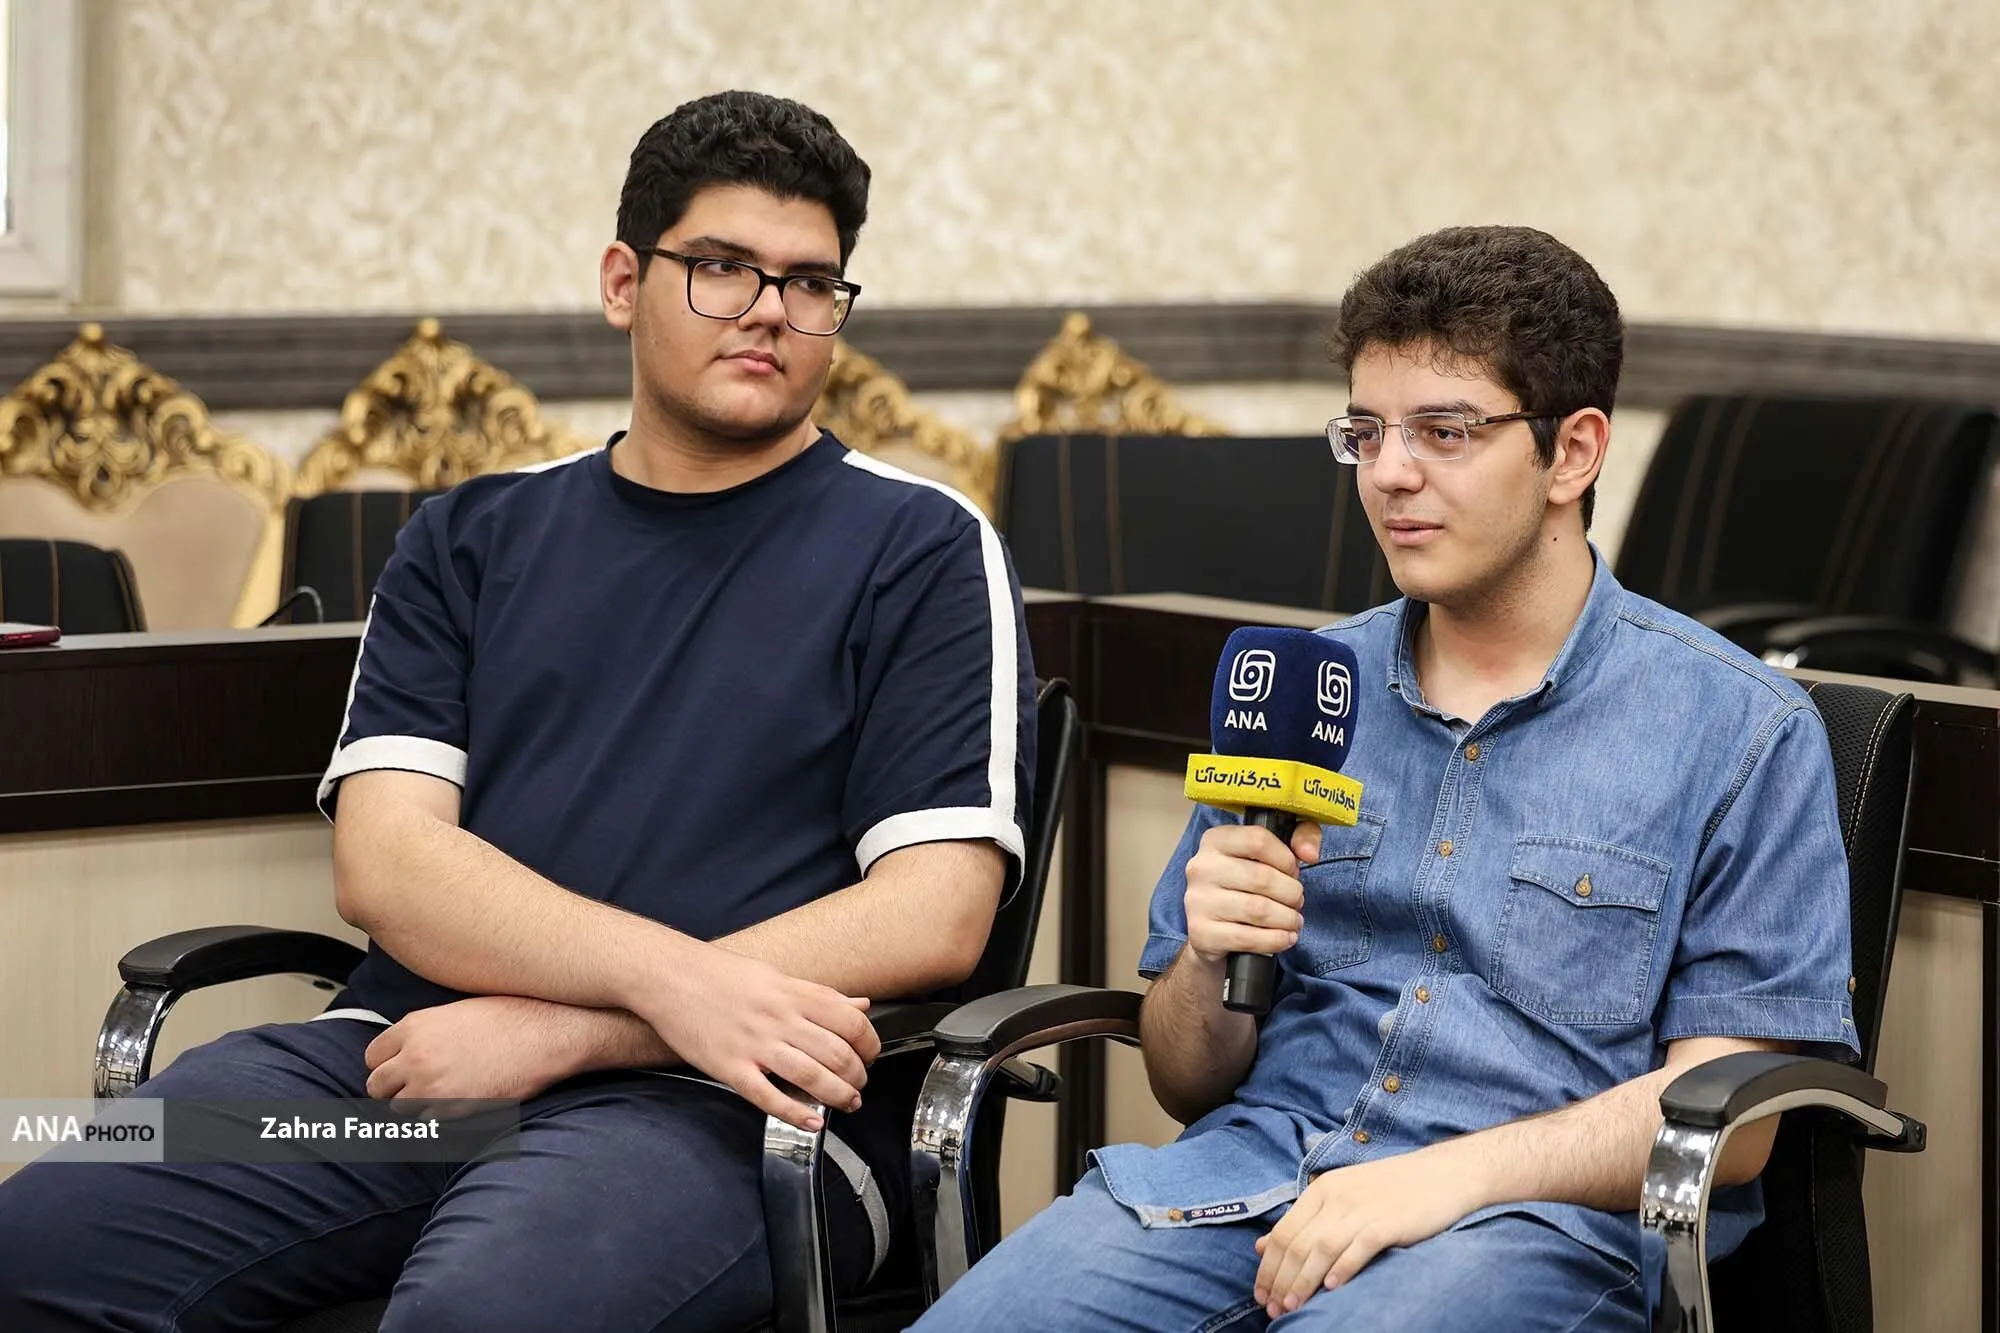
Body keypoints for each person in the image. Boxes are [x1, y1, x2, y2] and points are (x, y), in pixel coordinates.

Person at [0, 90, 1036, 1332]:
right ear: (621, 282)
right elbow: (387, 864)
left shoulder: (919, 547)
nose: (769, 308)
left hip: (728, 1111)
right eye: (721, 267)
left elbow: (934, 912)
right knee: (35, 1236)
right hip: (407, 1068)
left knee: (481, 1315)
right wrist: (657, 982)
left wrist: (570, 1032)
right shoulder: (472, 535)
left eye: (810, 282)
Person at [914, 225, 1857, 1332]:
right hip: (1241, 1184)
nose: (1389, 473)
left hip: (1519, 1229)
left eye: (1444, 432)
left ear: (1572, 453)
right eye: (1364, 432)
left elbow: (1728, 1128)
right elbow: (1184, 1077)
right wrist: (1208, 959)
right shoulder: (1300, 690)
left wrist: (1438, 1179)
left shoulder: (1737, 729)